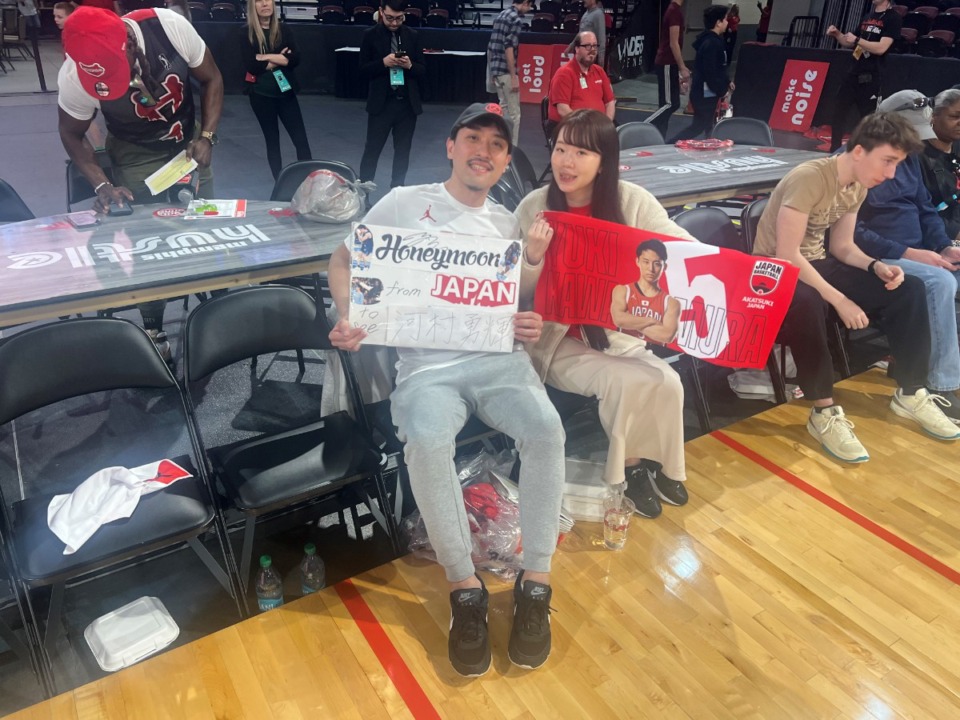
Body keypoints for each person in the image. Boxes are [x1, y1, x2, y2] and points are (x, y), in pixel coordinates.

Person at [327, 103, 566, 677]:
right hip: (427, 370)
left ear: (507, 160)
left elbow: (510, 304)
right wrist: (349, 314)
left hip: (497, 362)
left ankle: (536, 582)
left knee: (547, 431)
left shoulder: (508, 223)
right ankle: (464, 588)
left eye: (497, 145)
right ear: (451, 147)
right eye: (473, 139)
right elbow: (341, 260)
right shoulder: (404, 202)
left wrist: (525, 321)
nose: (484, 151)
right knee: (429, 442)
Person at [516, 109, 696, 519]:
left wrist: (724, 265)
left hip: (617, 332)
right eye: (561, 149)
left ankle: (666, 466)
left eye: (581, 152)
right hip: (558, 339)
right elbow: (512, 291)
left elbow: (682, 249)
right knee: (627, 382)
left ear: (604, 161)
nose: (566, 162)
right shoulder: (534, 208)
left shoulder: (632, 202)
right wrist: (532, 257)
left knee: (668, 381)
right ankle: (628, 473)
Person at [753, 112, 959, 463]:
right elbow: (786, 256)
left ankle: (911, 392)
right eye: (888, 161)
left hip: (815, 263)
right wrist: (841, 298)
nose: (891, 173)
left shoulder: (858, 184)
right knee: (810, 302)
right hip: (770, 272)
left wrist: (876, 266)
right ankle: (823, 411)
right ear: (860, 151)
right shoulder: (810, 177)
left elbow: (843, 248)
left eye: (897, 164)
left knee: (907, 289)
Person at [58, 6, 223, 359]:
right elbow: (71, 134)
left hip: (187, 143)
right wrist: (103, 185)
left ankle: (220, 311)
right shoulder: (74, 75)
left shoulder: (168, 27)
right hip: (135, 151)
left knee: (209, 227)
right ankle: (154, 325)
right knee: (150, 246)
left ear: (129, 42)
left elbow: (212, 78)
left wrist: (207, 136)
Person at [854, 91, 960, 422]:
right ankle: (941, 385)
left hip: (917, 251)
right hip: (878, 255)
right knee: (941, 281)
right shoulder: (858, 160)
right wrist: (909, 252)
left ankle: (916, 360)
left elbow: (925, 209)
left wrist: (943, 245)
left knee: (949, 270)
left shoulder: (910, 158)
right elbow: (853, 234)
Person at [240, 0, 312, 181]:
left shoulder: (284, 30)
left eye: (268, 0)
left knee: (301, 140)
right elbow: (251, 65)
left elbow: (295, 59)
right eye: (259, 1)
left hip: (285, 92)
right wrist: (280, 57)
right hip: (260, 95)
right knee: (272, 141)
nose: (265, 4)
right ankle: (279, 184)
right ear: (252, 6)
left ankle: (309, 183)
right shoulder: (245, 33)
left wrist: (263, 57)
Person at [358, 0, 425, 189]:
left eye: (399, 18)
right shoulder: (370, 35)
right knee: (372, 151)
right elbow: (362, 69)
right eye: (389, 18)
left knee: (403, 152)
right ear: (381, 12)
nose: (394, 23)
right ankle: (364, 194)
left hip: (407, 105)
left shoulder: (413, 35)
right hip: (381, 104)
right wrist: (383, 63)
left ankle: (398, 193)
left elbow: (422, 70)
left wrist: (410, 65)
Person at [825, 0, 901, 153]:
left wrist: (858, 40)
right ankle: (835, 150)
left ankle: (866, 152)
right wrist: (837, 34)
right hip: (853, 72)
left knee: (868, 119)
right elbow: (849, 43)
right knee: (838, 113)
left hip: (871, 75)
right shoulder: (868, 16)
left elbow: (881, 48)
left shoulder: (893, 18)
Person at [669, 5, 733, 142]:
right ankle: (670, 144)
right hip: (705, 93)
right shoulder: (711, 44)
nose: (727, 22)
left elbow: (719, 67)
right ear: (718, 22)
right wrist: (721, 90)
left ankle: (710, 144)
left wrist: (727, 81)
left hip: (706, 92)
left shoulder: (712, 41)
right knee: (699, 125)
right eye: (725, 19)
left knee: (708, 124)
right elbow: (711, 72)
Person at [545, 32, 615, 138]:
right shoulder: (564, 74)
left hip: (598, 130)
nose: (592, 50)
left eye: (595, 46)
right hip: (571, 130)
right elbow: (563, 110)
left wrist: (607, 126)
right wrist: (586, 128)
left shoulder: (599, 71)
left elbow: (610, 102)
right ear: (577, 48)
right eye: (587, 46)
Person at [611, 239, 681, 346]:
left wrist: (630, 320)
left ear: (664, 267)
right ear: (637, 261)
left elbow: (667, 336)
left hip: (655, 356)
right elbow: (618, 319)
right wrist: (651, 321)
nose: (651, 269)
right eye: (646, 262)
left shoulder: (671, 303)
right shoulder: (623, 290)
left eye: (657, 264)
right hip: (622, 349)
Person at [486, 0, 532, 147]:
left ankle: (501, 146)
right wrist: (513, 77)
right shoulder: (515, 20)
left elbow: (491, 45)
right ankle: (512, 152)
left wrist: (493, 72)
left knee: (503, 110)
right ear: (525, 3)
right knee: (514, 114)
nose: (529, 9)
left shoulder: (501, 15)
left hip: (496, 69)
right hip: (506, 72)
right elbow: (509, 47)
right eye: (530, 5)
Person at [919, 87, 960, 243]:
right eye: (954, 116)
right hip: (939, 235)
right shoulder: (915, 156)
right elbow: (920, 211)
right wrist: (954, 232)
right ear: (933, 117)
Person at [651, 0, 690, 139]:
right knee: (669, 104)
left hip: (668, 63)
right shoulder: (674, 12)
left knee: (671, 104)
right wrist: (682, 67)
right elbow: (674, 43)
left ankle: (659, 137)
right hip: (666, 62)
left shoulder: (675, 11)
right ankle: (643, 126)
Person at [565, 0, 606, 69]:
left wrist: (601, 62)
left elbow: (601, 38)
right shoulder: (586, 13)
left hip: (591, 56)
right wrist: (571, 46)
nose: (584, 0)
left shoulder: (598, 14)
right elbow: (581, 33)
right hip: (582, 54)